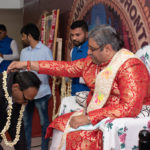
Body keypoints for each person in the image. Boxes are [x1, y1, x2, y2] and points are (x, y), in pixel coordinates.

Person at [7, 25, 150, 150]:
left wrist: (89, 118)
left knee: (76, 136)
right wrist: (27, 65)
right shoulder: (93, 62)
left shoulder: (130, 66)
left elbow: (129, 107)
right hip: (99, 110)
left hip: (121, 116)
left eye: (92, 49)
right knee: (59, 124)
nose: (88, 52)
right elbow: (64, 67)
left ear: (107, 49)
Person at [19, 23, 53, 150]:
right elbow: (22, 72)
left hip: (42, 93)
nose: (22, 39)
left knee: (44, 123)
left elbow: (51, 70)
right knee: (26, 123)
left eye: (23, 36)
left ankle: (44, 148)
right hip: (27, 95)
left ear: (29, 36)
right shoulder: (23, 51)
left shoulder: (45, 50)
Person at [0, 71, 41, 150]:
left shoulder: (17, 98)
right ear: (15, 87)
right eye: (25, 99)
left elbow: (16, 128)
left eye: (30, 101)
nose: (26, 103)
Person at [70, 20, 90, 95]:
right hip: (74, 93)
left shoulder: (92, 51)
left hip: (87, 95)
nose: (74, 38)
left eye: (77, 35)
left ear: (86, 34)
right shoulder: (73, 51)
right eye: (72, 35)